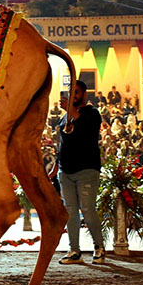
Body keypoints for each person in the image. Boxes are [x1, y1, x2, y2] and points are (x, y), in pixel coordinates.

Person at [49, 80, 106, 265]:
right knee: (70, 211)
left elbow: (86, 133)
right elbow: (62, 143)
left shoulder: (92, 114)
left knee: (88, 209)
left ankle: (99, 247)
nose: (73, 96)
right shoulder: (64, 118)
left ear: (84, 95)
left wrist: (71, 112)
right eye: (70, 92)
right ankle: (74, 250)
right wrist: (56, 166)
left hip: (86, 169)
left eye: (77, 92)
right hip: (66, 171)